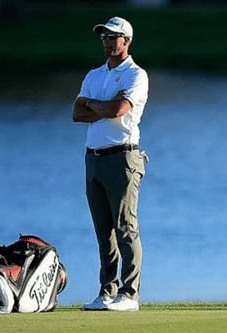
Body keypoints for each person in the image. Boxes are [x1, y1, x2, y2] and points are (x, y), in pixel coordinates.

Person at [72, 16, 149, 312]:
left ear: (126, 41)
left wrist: (94, 105)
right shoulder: (94, 75)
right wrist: (96, 106)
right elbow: (77, 114)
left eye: (112, 37)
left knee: (125, 227)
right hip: (93, 159)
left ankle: (130, 295)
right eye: (103, 36)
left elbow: (119, 110)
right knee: (103, 230)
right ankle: (107, 292)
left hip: (122, 158)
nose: (106, 41)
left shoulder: (136, 75)